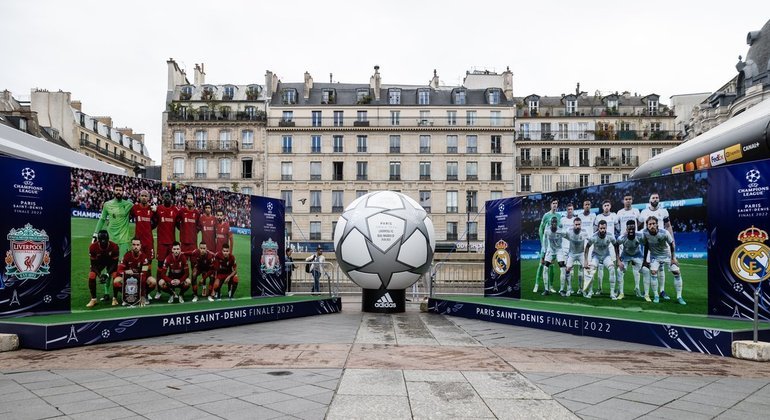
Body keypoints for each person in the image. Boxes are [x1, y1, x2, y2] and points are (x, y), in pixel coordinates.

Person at [642, 216, 685, 305]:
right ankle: (656, 295)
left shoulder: (664, 233)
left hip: (667, 255)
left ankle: (679, 296)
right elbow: (646, 246)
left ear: (657, 224)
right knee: (653, 272)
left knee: (676, 272)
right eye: (650, 224)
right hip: (655, 256)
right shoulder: (645, 233)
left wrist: (673, 258)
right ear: (647, 225)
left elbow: (672, 244)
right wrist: (645, 260)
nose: (652, 226)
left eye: (654, 223)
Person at [639, 193, 674, 300]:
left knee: (661, 268)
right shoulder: (644, 212)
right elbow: (639, 224)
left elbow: (668, 226)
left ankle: (662, 291)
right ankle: (648, 291)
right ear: (649, 200)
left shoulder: (663, 211)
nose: (655, 199)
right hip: (649, 242)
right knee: (648, 268)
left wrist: (673, 239)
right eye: (653, 198)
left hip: (661, 242)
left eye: (657, 197)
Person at [93, 182, 134, 258]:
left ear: (123, 192)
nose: (118, 192)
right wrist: (95, 234)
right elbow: (102, 219)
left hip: (123, 240)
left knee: (123, 265)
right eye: (117, 190)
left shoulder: (129, 205)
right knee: (109, 264)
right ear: (113, 191)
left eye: (120, 190)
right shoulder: (107, 204)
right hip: (110, 239)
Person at [113, 238, 157, 306]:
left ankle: (144, 295)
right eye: (134, 245)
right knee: (116, 281)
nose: (135, 246)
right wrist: (125, 271)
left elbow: (144, 274)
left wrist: (142, 295)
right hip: (129, 279)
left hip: (141, 278)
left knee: (153, 281)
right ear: (131, 245)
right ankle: (126, 296)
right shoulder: (126, 255)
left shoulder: (144, 257)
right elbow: (119, 270)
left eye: (137, 245)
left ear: (140, 246)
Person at [615, 195, 643, 296]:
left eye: (630, 199)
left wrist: (633, 231)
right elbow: (616, 224)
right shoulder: (620, 212)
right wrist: (623, 232)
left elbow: (639, 222)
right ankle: (619, 289)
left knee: (636, 267)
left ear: (632, 200)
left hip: (634, 241)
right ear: (623, 201)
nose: (628, 201)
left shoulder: (636, 211)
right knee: (621, 268)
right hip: (624, 242)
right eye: (626, 199)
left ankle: (637, 288)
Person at [153, 192, 178, 299]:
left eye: (169, 196)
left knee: (173, 268)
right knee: (160, 268)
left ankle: (172, 290)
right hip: (162, 244)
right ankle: (159, 290)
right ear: (162, 198)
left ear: (171, 198)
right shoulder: (158, 209)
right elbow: (153, 222)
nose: (167, 198)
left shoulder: (175, 210)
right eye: (165, 197)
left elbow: (180, 224)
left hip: (172, 245)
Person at [583, 220, 617, 299]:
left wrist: (617, 258)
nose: (602, 230)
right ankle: (590, 291)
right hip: (596, 256)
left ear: (606, 228)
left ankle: (612, 293)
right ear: (598, 228)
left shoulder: (610, 236)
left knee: (612, 269)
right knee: (591, 270)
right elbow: (587, 247)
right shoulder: (594, 237)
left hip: (606, 256)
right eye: (601, 228)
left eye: (604, 228)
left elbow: (616, 245)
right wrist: (586, 260)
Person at [614, 221, 647, 301]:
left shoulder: (640, 235)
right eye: (629, 229)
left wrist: (645, 260)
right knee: (619, 271)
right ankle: (621, 293)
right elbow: (616, 245)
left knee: (646, 271)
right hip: (626, 255)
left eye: (633, 228)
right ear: (626, 229)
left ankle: (640, 290)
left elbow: (646, 245)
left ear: (635, 228)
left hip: (637, 255)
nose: (631, 230)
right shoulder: (622, 237)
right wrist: (618, 259)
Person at [86, 230, 120, 308]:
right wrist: (100, 275)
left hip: (111, 263)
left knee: (115, 276)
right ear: (98, 240)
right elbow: (93, 264)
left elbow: (115, 264)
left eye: (105, 241)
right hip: (98, 263)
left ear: (108, 239)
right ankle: (93, 299)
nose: (103, 243)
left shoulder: (114, 247)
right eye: (101, 241)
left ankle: (115, 298)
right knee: (91, 275)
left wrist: (107, 274)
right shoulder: (92, 247)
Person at [534, 199, 561, 293]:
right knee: (541, 264)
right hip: (545, 245)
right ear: (550, 205)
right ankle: (536, 284)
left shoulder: (559, 216)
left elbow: (559, 229)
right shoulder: (546, 215)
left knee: (552, 265)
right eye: (553, 203)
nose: (555, 205)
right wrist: (542, 242)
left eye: (556, 203)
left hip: (553, 246)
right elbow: (540, 229)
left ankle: (551, 286)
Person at [592, 200, 618, 295]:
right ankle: (600, 288)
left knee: (612, 267)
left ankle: (615, 289)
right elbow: (594, 230)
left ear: (610, 206)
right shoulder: (598, 217)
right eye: (605, 205)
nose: (606, 207)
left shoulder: (614, 216)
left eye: (608, 205)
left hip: (611, 245)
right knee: (600, 267)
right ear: (602, 207)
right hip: (600, 245)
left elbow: (618, 228)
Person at [563, 217, 588, 296]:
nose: (577, 226)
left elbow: (590, 241)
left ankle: (582, 289)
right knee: (567, 270)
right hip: (572, 254)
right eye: (576, 224)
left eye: (579, 224)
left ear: (581, 224)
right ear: (573, 224)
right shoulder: (569, 231)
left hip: (581, 253)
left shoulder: (584, 232)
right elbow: (562, 235)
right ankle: (569, 288)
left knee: (586, 270)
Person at [540, 216, 565, 296]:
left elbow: (567, 237)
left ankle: (561, 290)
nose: (554, 224)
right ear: (550, 223)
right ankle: (546, 290)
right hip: (550, 250)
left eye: (555, 223)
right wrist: (544, 253)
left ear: (556, 223)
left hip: (559, 250)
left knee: (562, 268)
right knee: (545, 268)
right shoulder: (547, 230)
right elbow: (544, 241)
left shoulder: (561, 230)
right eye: (552, 223)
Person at [131, 190, 156, 262]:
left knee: (149, 261)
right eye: (142, 196)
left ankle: (148, 273)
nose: (144, 197)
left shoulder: (152, 209)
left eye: (145, 196)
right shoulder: (135, 208)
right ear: (139, 197)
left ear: (148, 198)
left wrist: (150, 227)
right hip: (138, 242)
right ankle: (140, 273)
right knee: (138, 260)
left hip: (149, 241)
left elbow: (156, 222)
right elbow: (128, 217)